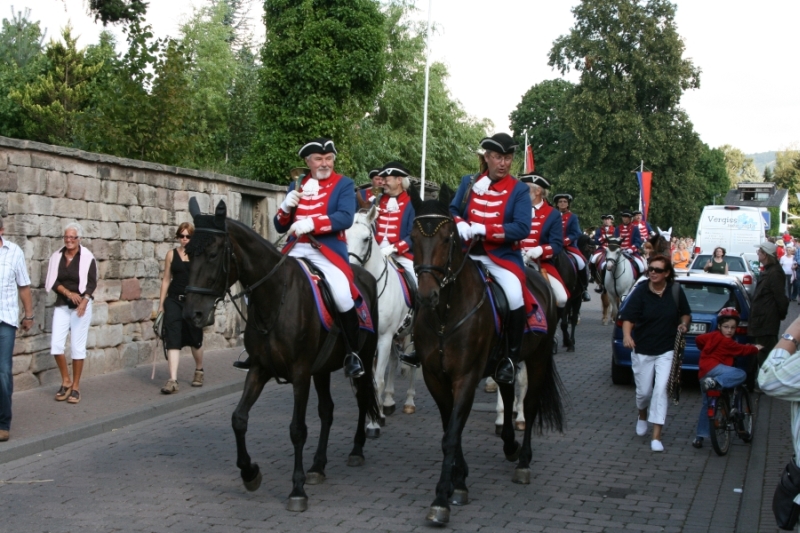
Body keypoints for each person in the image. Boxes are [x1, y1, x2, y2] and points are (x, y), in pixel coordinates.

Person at [274, 137, 365, 379]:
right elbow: (280, 226)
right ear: (308, 161)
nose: (324, 164)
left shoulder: (345, 184)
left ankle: (352, 353)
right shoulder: (297, 184)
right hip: (295, 248)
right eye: (318, 159)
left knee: (342, 295)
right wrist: (285, 207)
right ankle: (260, 346)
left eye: (328, 159)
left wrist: (312, 223)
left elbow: (345, 217)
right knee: (265, 281)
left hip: (327, 251)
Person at [449, 133, 532, 385]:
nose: (503, 163)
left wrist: (486, 230)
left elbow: (522, 227)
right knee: (432, 285)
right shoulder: (469, 182)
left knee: (515, 296)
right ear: (487, 157)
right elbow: (452, 210)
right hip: (466, 255)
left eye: (507, 158)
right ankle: (422, 345)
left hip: (501, 258)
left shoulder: (518, 190)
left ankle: (510, 358)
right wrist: (460, 223)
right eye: (497, 157)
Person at [619, 254, 691, 452]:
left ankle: (656, 436)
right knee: (643, 393)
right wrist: (627, 335)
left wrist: (684, 324)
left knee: (660, 391)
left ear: (667, 273)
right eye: (650, 269)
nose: (652, 272)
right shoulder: (641, 291)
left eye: (658, 270)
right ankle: (642, 414)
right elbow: (628, 317)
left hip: (666, 350)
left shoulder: (675, 290)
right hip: (642, 349)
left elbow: (685, 312)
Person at [691, 308, 761, 448]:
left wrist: (705, 349)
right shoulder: (727, 342)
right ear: (719, 326)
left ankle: (699, 437)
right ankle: (716, 382)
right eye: (726, 327)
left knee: (707, 404)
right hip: (716, 370)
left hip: (704, 372)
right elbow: (742, 350)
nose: (729, 330)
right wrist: (755, 348)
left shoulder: (711, 336)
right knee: (740, 374)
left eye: (732, 328)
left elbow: (698, 339)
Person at [44, 222, 97, 405]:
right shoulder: (57, 256)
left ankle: (75, 386)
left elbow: (91, 283)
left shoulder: (87, 257)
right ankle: (65, 380)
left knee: (77, 346)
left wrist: (83, 302)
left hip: (81, 306)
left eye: (73, 237)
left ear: (78, 238)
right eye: (66, 237)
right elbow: (53, 280)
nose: (69, 240)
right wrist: (68, 293)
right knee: (56, 345)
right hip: (62, 303)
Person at [157, 223, 205, 394]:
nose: (184, 239)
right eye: (182, 236)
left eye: (188, 236)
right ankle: (173, 380)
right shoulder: (171, 254)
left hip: (192, 303)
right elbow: (165, 279)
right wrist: (161, 303)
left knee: (195, 338)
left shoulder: (199, 255)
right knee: (173, 338)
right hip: (174, 301)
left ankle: (199, 370)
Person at [0, 217, 34, 442]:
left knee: (2, 371)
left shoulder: (14, 252)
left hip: (6, 320)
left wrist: (28, 314)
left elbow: (23, 285)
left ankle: (3, 423)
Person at [747, 241, 790, 390]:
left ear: (765, 255)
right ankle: (765, 382)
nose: (758, 254)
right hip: (762, 318)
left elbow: (780, 297)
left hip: (766, 319)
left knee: (766, 352)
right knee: (762, 351)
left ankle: (770, 383)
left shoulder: (775, 272)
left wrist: (780, 314)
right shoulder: (768, 270)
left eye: (759, 252)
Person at [519, 176, 567, 308]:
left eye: (526, 189)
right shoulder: (516, 208)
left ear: (538, 191)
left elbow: (557, 244)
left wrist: (539, 250)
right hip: (514, 258)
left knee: (562, 298)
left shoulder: (553, 214)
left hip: (540, 263)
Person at [373, 161, 416, 283]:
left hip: (401, 254)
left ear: (399, 180)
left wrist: (393, 248)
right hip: (375, 251)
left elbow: (413, 234)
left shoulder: (412, 203)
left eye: (387, 179)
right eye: (382, 180)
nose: (383, 183)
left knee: (417, 281)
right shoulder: (377, 201)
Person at [553, 193, 591, 302]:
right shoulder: (552, 215)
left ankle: (584, 289)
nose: (562, 203)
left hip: (569, 246)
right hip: (554, 246)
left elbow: (576, 233)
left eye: (565, 201)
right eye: (560, 202)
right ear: (557, 204)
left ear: (568, 204)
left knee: (581, 262)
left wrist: (565, 241)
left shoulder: (572, 217)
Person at [590, 214, 615, 292]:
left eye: (608, 219)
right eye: (605, 219)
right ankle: (594, 277)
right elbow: (597, 241)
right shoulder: (599, 230)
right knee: (593, 260)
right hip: (602, 249)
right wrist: (604, 237)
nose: (606, 221)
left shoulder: (615, 229)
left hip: (613, 249)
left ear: (611, 220)